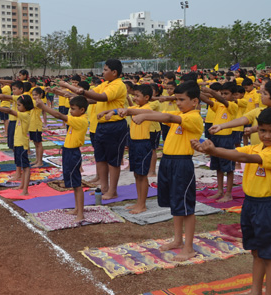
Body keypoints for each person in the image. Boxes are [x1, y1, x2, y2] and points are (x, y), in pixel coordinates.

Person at [191, 108, 271, 295]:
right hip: (250, 204)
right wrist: (209, 148)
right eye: (263, 130)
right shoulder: (258, 147)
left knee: (270, 256)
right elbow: (233, 151)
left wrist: (212, 150)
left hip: (268, 207)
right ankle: (255, 290)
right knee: (256, 252)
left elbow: (243, 157)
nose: (267, 135)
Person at [129, 81, 204, 261]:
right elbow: (159, 113)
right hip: (168, 161)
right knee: (175, 203)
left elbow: (167, 118)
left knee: (186, 207)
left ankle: (189, 247)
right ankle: (178, 240)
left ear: (194, 101)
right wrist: (126, 111)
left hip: (181, 163)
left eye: (182, 99)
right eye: (176, 99)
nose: (178, 103)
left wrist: (144, 117)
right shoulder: (180, 113)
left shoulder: (193, 117)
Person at [62, 59, 128, 200]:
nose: (103, 72)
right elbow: (92, 97)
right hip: (102, 125)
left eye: (105, 70)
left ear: (114, 72)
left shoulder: (118, 85)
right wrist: (75, 95)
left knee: (113, 160)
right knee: (101, 158)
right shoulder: (105, 84)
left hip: (114, 126)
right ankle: (104, 187)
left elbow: (102, 97)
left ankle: (113, 190)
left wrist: (78, 90)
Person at [100, 84, 154, 214]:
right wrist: (108, 112)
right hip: (134, 143)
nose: (134, 98)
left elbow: (141, 112)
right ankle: (139, 202)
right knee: (137, 175)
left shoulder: (148, 107)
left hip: (143, 144)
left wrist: (128, 111)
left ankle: (142, 204)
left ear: (146, 97)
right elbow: (122, 109)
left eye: (137, 96)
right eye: (134, 95)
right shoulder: (135, 107)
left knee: (142, 175)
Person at [36, 95, 89, 221]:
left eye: (73, 109)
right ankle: (77, 209)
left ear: (82, 110)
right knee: (72, 182)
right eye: (71, 108)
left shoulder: (81, 120)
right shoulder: (77, 118)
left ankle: (81, 213)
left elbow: (59, 115)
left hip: (73, 153)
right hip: (68, 151)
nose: (71, 111)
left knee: (77, 184)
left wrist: (44, 107)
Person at [199, 82, 239, 203]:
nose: (224, 96)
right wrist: (195, 91)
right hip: (215, 138)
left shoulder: (232, 105)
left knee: (228, 167)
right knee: (218, 166)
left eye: (226, 93)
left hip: (226, 138)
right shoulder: (218, 106)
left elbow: (222, 100)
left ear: (234, 95)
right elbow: (209, 101)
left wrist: (211, 92)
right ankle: (220, 191)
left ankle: (229, 193)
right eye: (222, 93)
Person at [0, 95, 34, 195]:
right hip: (18, 143)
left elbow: (9, 111)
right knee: (20, 164)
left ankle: (25, 190)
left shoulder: (25, 115)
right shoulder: (22, 114)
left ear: (25, 106)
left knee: (26, 167)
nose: (17, 107)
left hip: (22, 144)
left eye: (19, 105)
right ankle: (22, 185)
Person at [29, 87, 45, 167]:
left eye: (36, 95)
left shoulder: (38, 102)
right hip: (32, 125)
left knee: (38, 144)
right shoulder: (34, 101)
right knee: (36, 143)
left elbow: (28, 102)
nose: (34, 96)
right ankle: (37, 159)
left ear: (41, 95)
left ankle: (40, 161)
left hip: (36, 126)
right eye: (33, 95)